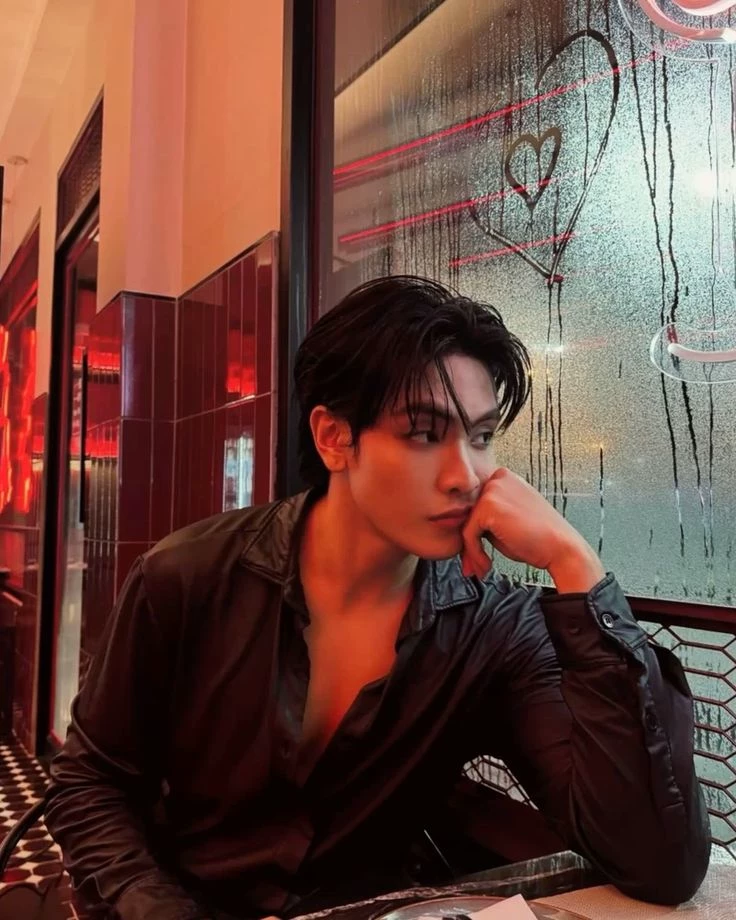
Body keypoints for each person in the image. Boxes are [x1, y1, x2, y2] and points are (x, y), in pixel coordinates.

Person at [46, 276, 710, 920]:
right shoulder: (189, 577)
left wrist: (577, 568)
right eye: (424, 434)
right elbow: (90, 784)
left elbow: (658, 864)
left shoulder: (493, 629)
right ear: (334, 438)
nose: (467, 476)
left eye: (481, 437)